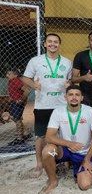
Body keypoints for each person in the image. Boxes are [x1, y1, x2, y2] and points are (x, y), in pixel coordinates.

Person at [22, 33, 72, 178]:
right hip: (43, 104)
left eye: (56, 42)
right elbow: (25, 78)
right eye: (50, 42)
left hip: (61, 105)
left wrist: (69, 84)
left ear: (60, 45)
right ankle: (39, 163)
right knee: (41, 136)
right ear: (45, 44)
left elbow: (69, 80)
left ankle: (63, 160)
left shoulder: (67, 62)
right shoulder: (36, 61)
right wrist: (33, 85)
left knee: (62, 134)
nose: (52, 44)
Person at [40, 85, 92, 194]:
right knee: (48, 150)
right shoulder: (58, 112)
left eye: (77, 95)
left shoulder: (90, 111)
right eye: (70, 94)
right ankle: (53, 181)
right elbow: (49, 136)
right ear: (65, 97)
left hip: (83, 154)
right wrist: (69, 144)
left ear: (82, 98)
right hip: (65, 151)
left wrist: (87, 159)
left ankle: (79, 169)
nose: (74, 97)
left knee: (85, 185)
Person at [6, 68, 31, 145]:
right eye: (7, 74)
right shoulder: (11, 81)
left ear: (15, 75)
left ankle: (20, 138)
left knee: (17, 119)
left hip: (18, 103)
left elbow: (27, 90)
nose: (7, 75)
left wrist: (21, 99)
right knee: (14, 118)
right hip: (14, 102)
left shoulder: (15, 80)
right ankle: (25, 133)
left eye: (9, 74)